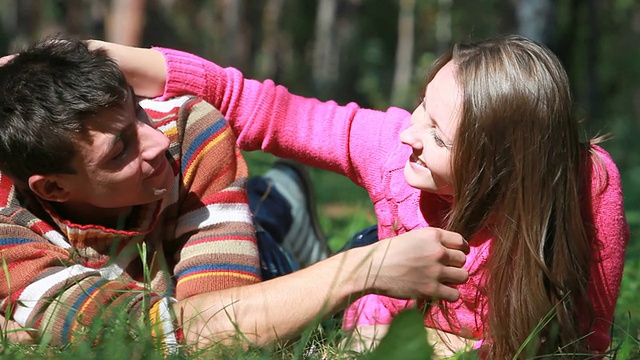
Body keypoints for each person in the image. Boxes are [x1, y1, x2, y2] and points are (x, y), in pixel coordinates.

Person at [93, 34, 629, 358]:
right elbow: (265, 110)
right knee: (264, 258)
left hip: (387, 258)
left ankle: (287, 209)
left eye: (438, 135)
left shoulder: (586, 185)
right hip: (375, 267)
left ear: (502, 167)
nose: (407, 133)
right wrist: (108, 57)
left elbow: (585, 340)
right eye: (422, 104)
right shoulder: (394, 153)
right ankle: (284, 203)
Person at [0, 35, 471, 351]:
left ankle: (280, 201)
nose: (157, 141)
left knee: (270, 263)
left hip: (231, 255)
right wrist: (363, 268)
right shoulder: (10, 248)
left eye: (139, 113)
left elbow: (225, 312)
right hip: (185, 268)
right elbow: (178, 335)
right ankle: (280, 203)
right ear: (53, 188)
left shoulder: (185, 130)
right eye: (121, 147)